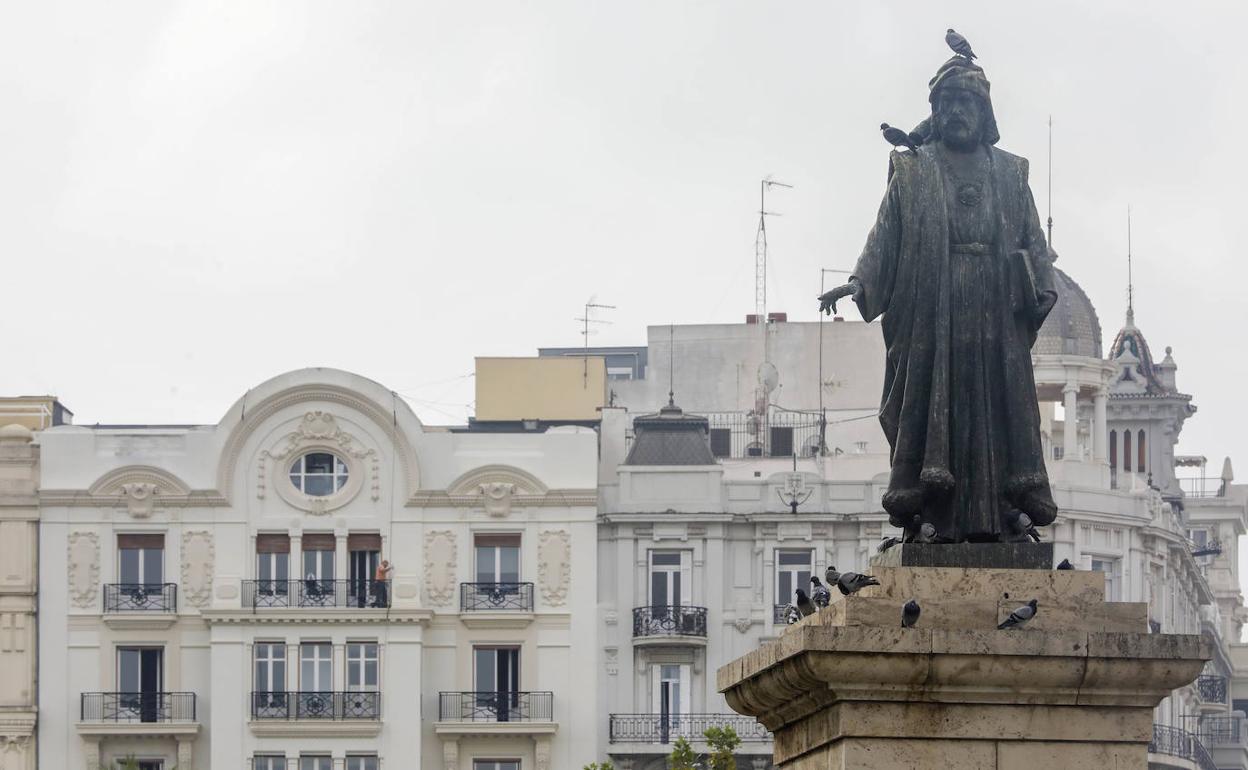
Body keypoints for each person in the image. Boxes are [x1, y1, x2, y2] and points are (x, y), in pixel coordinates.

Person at [818, 52, 1058, 544]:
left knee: (998, 410)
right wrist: (860, 284)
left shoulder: (1012, 173)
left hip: (996, 312)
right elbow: (885, 237)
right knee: (933, 409)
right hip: (933, 308)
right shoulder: (912, 171)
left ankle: (1006, 508)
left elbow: (1034, 240)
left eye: (966, 100)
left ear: (984, 111)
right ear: (934, 109)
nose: (956, 110)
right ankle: (930, 514)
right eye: (946, 101)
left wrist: (1042, 287)